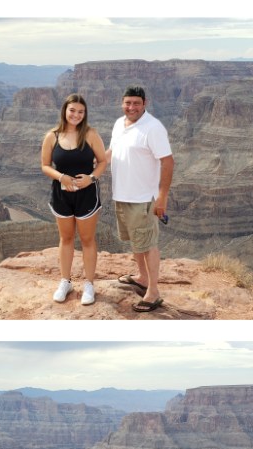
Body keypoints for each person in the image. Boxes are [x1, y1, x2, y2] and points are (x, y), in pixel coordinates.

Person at [107, 85, 174, 313]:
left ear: (144, 103)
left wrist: (162, 197)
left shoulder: (153, 128)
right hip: (122, 195)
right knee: (136, 242)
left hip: (144, 198)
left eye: (136, 103)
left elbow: (167, 161)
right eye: (128, 103)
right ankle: (142, 278)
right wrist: (92, 170)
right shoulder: (119, 124)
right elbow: (111, 152)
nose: (131, 107)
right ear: (122, 103)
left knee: (148, 245)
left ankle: (153, 292)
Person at [41, 93, 108, 305]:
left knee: (87, 240)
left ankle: (89, 284)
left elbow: (102, 161)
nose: (76, 115)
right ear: (64, 111)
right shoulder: (52, 136)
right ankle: (66, 281)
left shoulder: (90, 134)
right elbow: (44, 165)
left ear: (85, 114)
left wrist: (91, 178)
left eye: (81, 111)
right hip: (61, 194)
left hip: (87, 194)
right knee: (66, 238)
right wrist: (61, 176)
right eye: (72, 110)